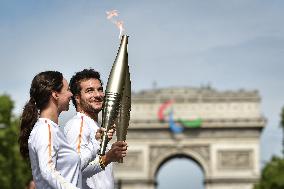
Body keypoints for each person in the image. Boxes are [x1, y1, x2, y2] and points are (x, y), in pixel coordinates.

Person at [18, 71, 98, 189]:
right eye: (67, 90)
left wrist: (96, 141)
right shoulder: (46, 129)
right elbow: (48, 171)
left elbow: (75, 166)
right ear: (55, 95)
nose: (71, 94)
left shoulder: (50, 129)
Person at [65, 69, 127, 189]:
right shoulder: (78, 124)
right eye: (90, 91)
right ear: (77, 98)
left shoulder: (94, 125)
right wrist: (109, 157)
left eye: (100, 89)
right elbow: (75, 170)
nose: (98, 95)